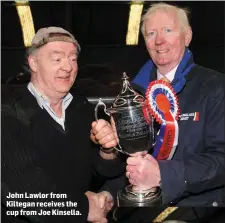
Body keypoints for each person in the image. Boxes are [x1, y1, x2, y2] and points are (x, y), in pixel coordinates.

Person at [101, 2, 224, 223]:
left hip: (201, 207)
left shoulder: (215, 88)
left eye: (168, 30)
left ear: (187, 36)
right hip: (139, 207)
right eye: (151, 33)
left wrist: (163, 175)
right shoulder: (135, 95)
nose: (159, 41)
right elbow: (128, 162)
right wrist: (108, 193)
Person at [1, 27, 125, 223]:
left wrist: (107, 152)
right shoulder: (8, 113)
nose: (68, 67)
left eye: (73, 59)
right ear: (34, 63)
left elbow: (100, 173)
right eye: (57, 59)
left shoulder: (81, 108)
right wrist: (84, 209)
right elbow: (23, 197)